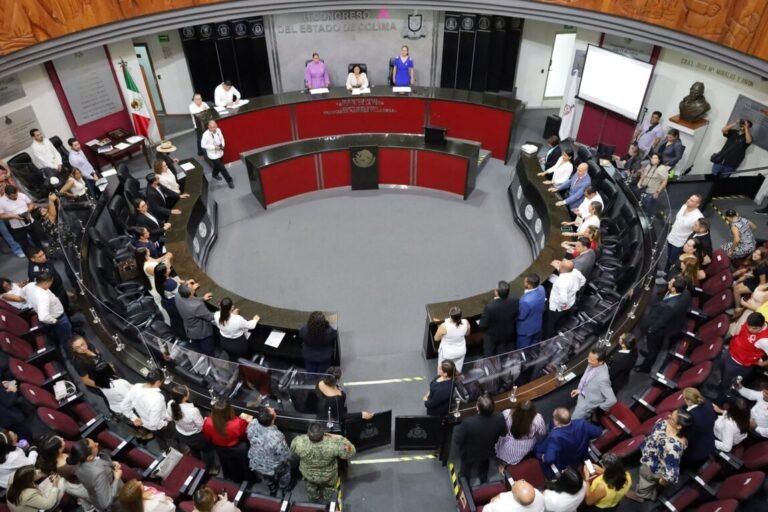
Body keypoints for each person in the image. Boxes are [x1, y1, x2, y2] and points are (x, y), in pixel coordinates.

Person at [625, 409, 692, 503]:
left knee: (645, 481)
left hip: (653, 466)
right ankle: (652, 492)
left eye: (672, 418)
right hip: (650, 454)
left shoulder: (673, 447)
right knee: (651, 483)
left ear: (679, 426)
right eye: (671, 414)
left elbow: (670, 475)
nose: (668, 416)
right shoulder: (666, 423)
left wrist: (661, 481)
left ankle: (640, 495)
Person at [636, 276, 692, 373]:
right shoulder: (686, 293)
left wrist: (651, 330)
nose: (668, 282)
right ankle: (649, 354)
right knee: (657, 345)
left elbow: (661, 322)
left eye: (670, 283)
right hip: (671, 324)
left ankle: (645, 367)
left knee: (653, 348)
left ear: (674, 289)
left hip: (659, 330)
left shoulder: (670, 306)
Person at [291, 422, 355, 503]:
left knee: (311, 486)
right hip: (328, 476)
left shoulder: (298, 442)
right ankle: (328, 499)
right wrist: (339, 437)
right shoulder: (333, 444)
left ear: (308, 433)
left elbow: (293, 453)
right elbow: (351, 452)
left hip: (309, 475)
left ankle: (314, 499)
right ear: (323, 434)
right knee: (329, 488)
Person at [454, 394, 507, 485]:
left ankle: (465, 482)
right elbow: (503, 433)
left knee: (466, 467)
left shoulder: (468, 422)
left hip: (469, 453)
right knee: (484, 463)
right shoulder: (500, 417)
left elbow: (457, 439)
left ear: (477, 407)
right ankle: (483, 479)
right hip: (488, 450)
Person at [534, 408, 602, 477]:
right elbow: (598, 432)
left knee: (537, 447)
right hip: (580, 456)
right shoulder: (582, 423)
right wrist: (585, 437)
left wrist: (543, 456)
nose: (553, 418)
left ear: (557, 422)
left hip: (564, 464)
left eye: (553, 417)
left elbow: (549, 459)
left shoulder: (555, 436)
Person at [167, 385, 216, 472]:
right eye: (188, 391)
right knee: (207, 451)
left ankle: (197, 466)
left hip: (182, 434)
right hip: (196, 437)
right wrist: (206, 420)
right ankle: (210, 468)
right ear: (185, 397)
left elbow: (170, 418)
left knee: (194, 450)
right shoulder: (193, 411)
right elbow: (201, 426)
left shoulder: (170, 404)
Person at [719, 312, 768, 398]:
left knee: (731, 383)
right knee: (723, 373)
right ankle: (723, 383)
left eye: (754, 328)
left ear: (761, 326)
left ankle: (728, 395)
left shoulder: (765, 340)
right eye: (748, 326)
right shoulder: (751, 322)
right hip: (730, 352)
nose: (749, 329)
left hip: (739, 365)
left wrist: (763, 364)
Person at [247, 406, 292, 497]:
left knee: (268, 479)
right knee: (285, 473)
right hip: (273, 466)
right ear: (272, 421)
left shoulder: (252, 424)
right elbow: (285, 455)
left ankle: (273, 489)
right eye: (273, 411)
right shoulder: (277, 437)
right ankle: (284, 489)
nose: (273, 409)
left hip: (257, 462)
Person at [66, 438, 123, 511]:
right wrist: (117, 478)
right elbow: (106, 502)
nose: (97, 443)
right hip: (119, 500)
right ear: (89, 457)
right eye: (95, 446)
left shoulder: (79, 462)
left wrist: (111, 464)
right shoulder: (98, 473)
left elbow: (98, 461)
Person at [35, 436, 92, 508]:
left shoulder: (49, 459)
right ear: (59, 450)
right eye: (61, 441)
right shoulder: (67, 466)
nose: (62, 438)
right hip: (81, 484)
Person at [123, 369, 174, 449]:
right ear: (158, 382)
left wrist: (134, 418)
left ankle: (164, 447)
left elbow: (123, 406)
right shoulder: (158, 398)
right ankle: (172, 448)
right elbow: (154, 423)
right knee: (170, 437)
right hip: (160, 425)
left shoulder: (136, 387)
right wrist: (165, 423)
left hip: (146, 424)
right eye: (162, 381)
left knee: (160, 437)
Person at [21, 272, 72, 345]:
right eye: (51, 282)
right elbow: (43, 317)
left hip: (50, 318)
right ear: (45, 283)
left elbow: (22, 292)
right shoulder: (43, 297)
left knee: (58, 336)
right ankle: (69, 351)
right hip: (58, 319)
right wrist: (54, 321)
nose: (51, 284)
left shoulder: (30, 285)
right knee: (67, 339)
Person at [495, 399, 547, 466]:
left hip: (507, 442)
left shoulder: (507, 413)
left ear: (517, 407)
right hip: (526, 444)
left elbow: (500, 426)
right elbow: (542, 432)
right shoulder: (538, 418)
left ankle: (503, 462)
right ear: (532, 411)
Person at [571, 348, 617, 420]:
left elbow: (612, 400)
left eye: (592, 360)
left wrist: (598, 408)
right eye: (588, 358)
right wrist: (579, 390)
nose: (588, 361)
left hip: (587, 404)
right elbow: (586, 378)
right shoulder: (593, 364)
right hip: (582, 395)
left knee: (574, 420)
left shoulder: (603, 378)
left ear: (600, 362)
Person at [661, 194, 702, 274]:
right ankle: (665, 271)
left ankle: (667, 275)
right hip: (671, 236)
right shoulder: (684, 206)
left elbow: (698, 231)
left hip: (679, 242)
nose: (688, 200)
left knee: (673, 260)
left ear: (697, 205)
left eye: (692, 200)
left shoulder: (698, 217)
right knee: (668, 256)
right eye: (689, 198)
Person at [544, 260, 585, 339]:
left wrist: (561, 307)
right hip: (570, 302)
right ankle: (559, 330)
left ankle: (548, 339)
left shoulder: (561, 282)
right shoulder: (576, 272)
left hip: (557, 308)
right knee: (561, 320)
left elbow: (563, 299)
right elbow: (583, 280)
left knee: (550, 324)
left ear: (561, 268)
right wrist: (574, 289)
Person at [478, 281, 519, 356]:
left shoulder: (490, 307)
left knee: (489, 354)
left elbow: (482, 325)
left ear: (496, 292)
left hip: (493, 336)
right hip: (508, 333)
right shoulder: (515, 300)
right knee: (502, 352)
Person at [175, 282, 216, 356]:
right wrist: (224, 311)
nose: (194, 287)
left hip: (190, 330)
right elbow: (210, 316)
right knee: (209, 351)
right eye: (192, 287)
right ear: (192, 292)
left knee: (198, 349)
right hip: (202, 333)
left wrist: (202, 299)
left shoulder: (177, 296)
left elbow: (189, 299)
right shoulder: (197, 306)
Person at [0, 185, 47, 250]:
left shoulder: (21, 195)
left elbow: (31, 203)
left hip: (30, 221)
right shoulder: (1, 202)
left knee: (37, 240)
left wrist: (28, 210)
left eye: (16, 195)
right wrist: (13, 216)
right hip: (17, 227)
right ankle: (32, 255)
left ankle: (43, 252)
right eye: (13, 196)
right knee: (24, 244)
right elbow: (1, 215)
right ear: (7, 195)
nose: (15, 197)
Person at [680, 388, 715, 469]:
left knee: (685, 467)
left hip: (695, 451)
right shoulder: (707, 403)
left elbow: (688, 437)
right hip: (709, 444)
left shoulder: (691, 417)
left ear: (688, 400)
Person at [26, 246, 68, 311]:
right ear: (32, 259)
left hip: (58, 287)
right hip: (54, 292)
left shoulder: (42, 261)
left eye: (43, 254)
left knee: (65, 302)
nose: (43, 257)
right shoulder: (36, 273)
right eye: (40, 256)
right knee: (61, 308)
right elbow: (43, 287)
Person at [732, 247, 768, 316]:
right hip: (754, 279)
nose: (755, 255)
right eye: (755, 252)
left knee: (737, 290)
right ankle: (736, 304)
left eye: (758, 255)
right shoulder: (757, 263)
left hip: (757, 285)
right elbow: (755, 272)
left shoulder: (761, 268)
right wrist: (751, 275)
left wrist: (754, 294)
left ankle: (737, 309)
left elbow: (762, 284)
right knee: (736, 286)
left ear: (762, 257)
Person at [434, 306, 470, 372]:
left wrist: (439, 326)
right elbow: (467, 333)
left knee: (443, 371)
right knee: (457, 371)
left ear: (450, 315)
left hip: (447, 354)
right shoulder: (466, 322)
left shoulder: (443, 326)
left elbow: (436, 338)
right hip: (461, 353)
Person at [201, 120, 234, 188]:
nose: (213, 129)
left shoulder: (218, 130)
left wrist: (223, 145)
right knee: (222, 168)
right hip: (213, 155)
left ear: (216, 125)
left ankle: (214, 174)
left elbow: (222, 138)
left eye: (214, 127)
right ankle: (229, 180)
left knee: (217, 167)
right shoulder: (205, 135)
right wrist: (214, 147)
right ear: (208, 127)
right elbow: (203, 145)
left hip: (220, 152)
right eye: (211, 127)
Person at [517, 273, 546, 349]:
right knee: (535, 348)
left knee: (523, 350)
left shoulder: (525, 301)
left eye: (525, 282)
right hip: (538, 326)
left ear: (529, 285)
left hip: (526, 331)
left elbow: (521, 316)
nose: (523, 282)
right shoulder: (541, 288)